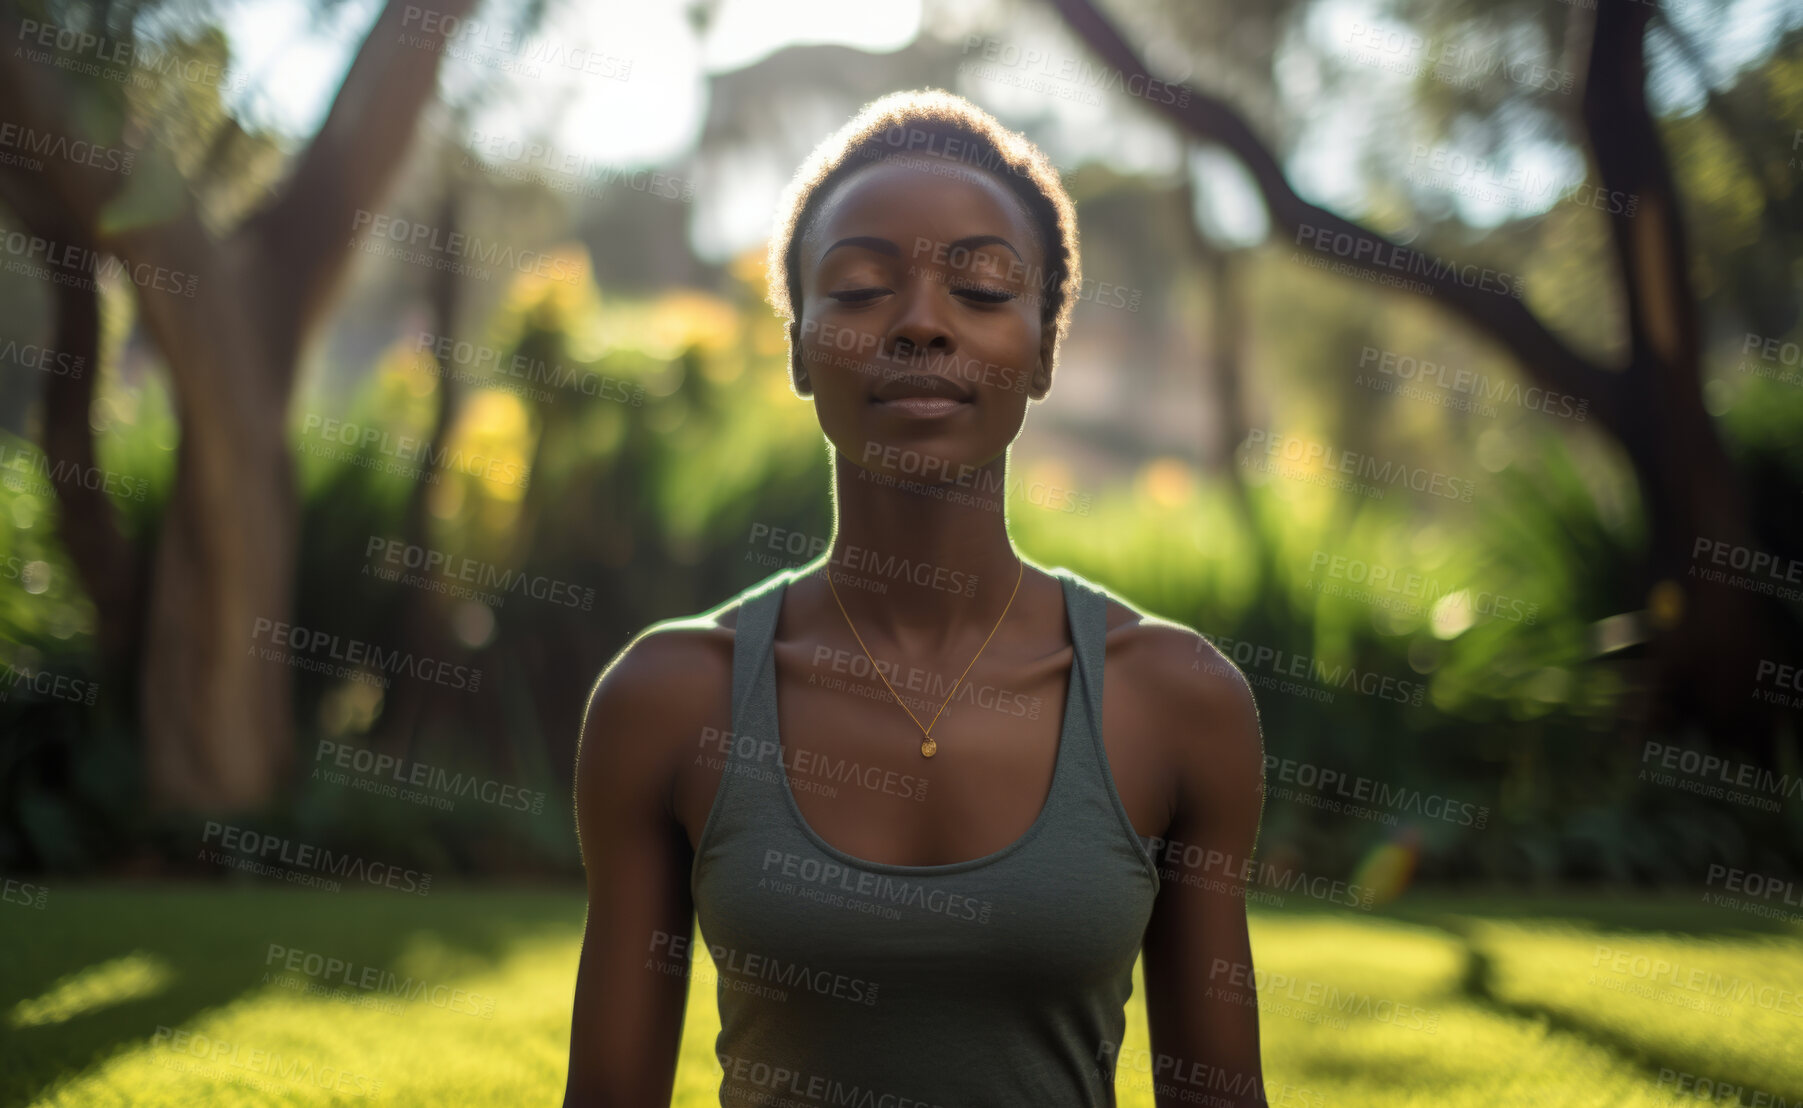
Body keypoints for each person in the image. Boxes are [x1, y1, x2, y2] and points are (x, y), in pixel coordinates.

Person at [562, 88, 1268, 1108]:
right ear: (801, 345)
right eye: (857, 288)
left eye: (981, 290)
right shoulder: (673, 699)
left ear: (1044, 349)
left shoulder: (1177, 698)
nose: (922, 323)